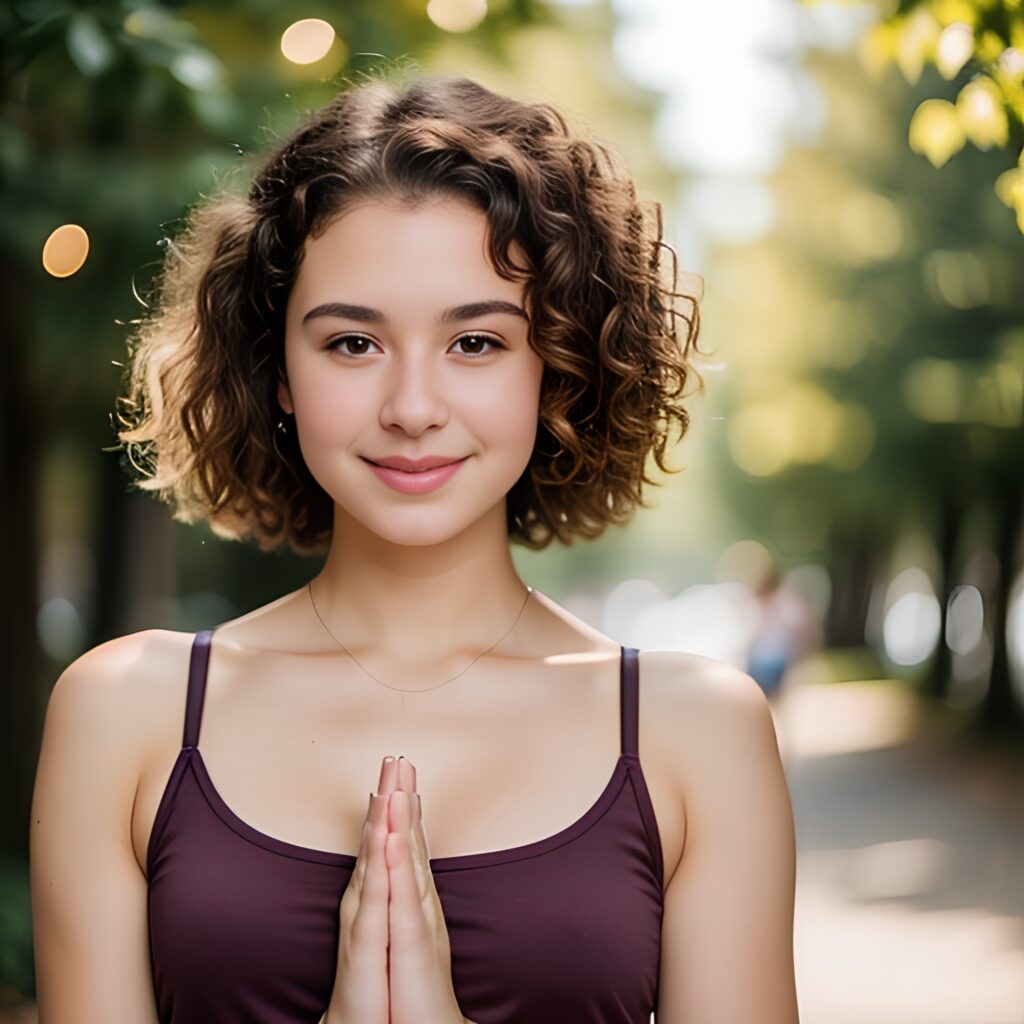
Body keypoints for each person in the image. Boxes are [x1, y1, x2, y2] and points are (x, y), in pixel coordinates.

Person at [29, 66, 800, 1024]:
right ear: (277, 372)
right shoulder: (122, 717)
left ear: (554, 365)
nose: (412, 409)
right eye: (353, 343)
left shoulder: (699, 735)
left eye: (475, 343)